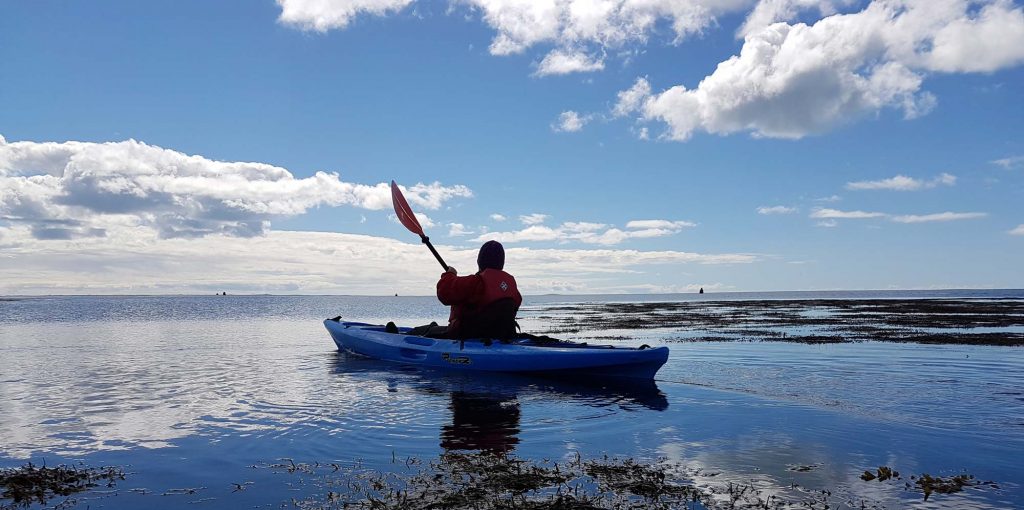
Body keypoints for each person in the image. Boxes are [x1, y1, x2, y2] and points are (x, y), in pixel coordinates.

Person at [433, 240, 522, 339]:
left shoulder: (475, 282)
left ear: (479, 261)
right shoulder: (512, 288)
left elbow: (444, 293)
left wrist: (450, 274)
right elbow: (516, 303)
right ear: (502, 262)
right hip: (501, 336)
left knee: (426, 330)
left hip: (468, 335)